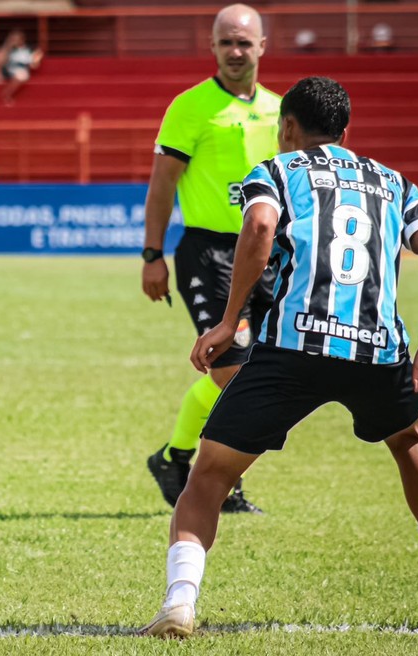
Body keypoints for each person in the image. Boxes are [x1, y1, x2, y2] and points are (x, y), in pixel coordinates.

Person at [140, 76, 418, 637]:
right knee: (410, 442)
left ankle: (180, 605)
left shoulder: (276, 171)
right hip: (378, 348)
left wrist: (230, 321)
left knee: (208, 475)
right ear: (346, 132)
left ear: (286, 127)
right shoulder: (393, 182)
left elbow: (258, 225)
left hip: (294, 347)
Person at [141, 4, 280, 514]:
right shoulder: (190, 107)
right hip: (209, 254)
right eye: (227, 42)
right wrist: (152, 254)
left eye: (245, 42)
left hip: (269, 255)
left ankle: (176, 455)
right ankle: (215, 478)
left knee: (260, 372)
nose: (236, 52)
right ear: (213, 46)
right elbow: (162, 188)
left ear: (262, 45)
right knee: (233, 375)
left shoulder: (280, 111)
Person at [0, 29, 43, 106]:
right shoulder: (8, 48)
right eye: (12, 39)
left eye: (16, 39)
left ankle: (6, 95)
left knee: (22, 75)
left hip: (19, 70)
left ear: (22, 39)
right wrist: (8, 46)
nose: (14, 41)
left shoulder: (30, 49)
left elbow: (34, 65)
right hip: (7, 69)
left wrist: (37, 57)